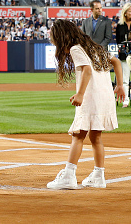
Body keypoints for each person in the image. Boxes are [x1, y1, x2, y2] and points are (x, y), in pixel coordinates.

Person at [46, 19, 124, 190]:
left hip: (91, 97)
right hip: (105, 97)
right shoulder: (95, 47)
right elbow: (117, 62)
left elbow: (87, 69)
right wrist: (119, 86)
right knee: (95, 137)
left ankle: (69, 175)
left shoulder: (75, 48)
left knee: (78, 135)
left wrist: (80, 94)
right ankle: (99, 175)